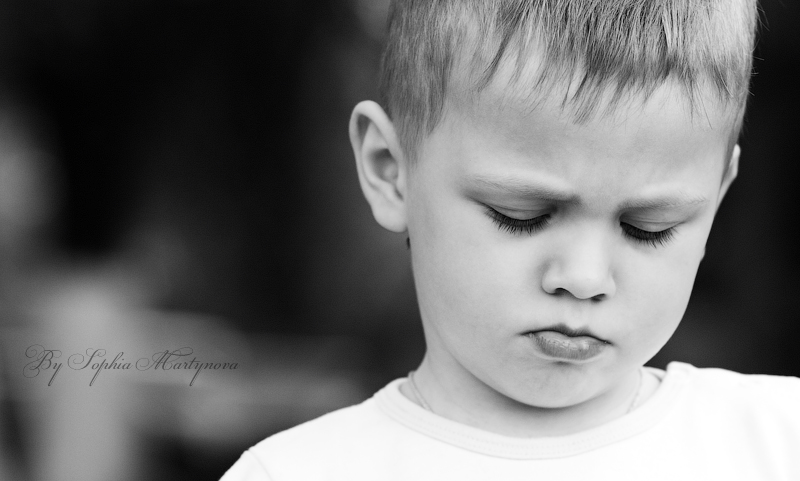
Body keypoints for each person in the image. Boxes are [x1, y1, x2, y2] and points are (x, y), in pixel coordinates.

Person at [221, 1, 800, 479]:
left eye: (649, 227)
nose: (584, 277)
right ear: (390, 171)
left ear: (717, 198)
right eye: (521, 215)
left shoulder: (776, 441)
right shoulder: (293, 472)